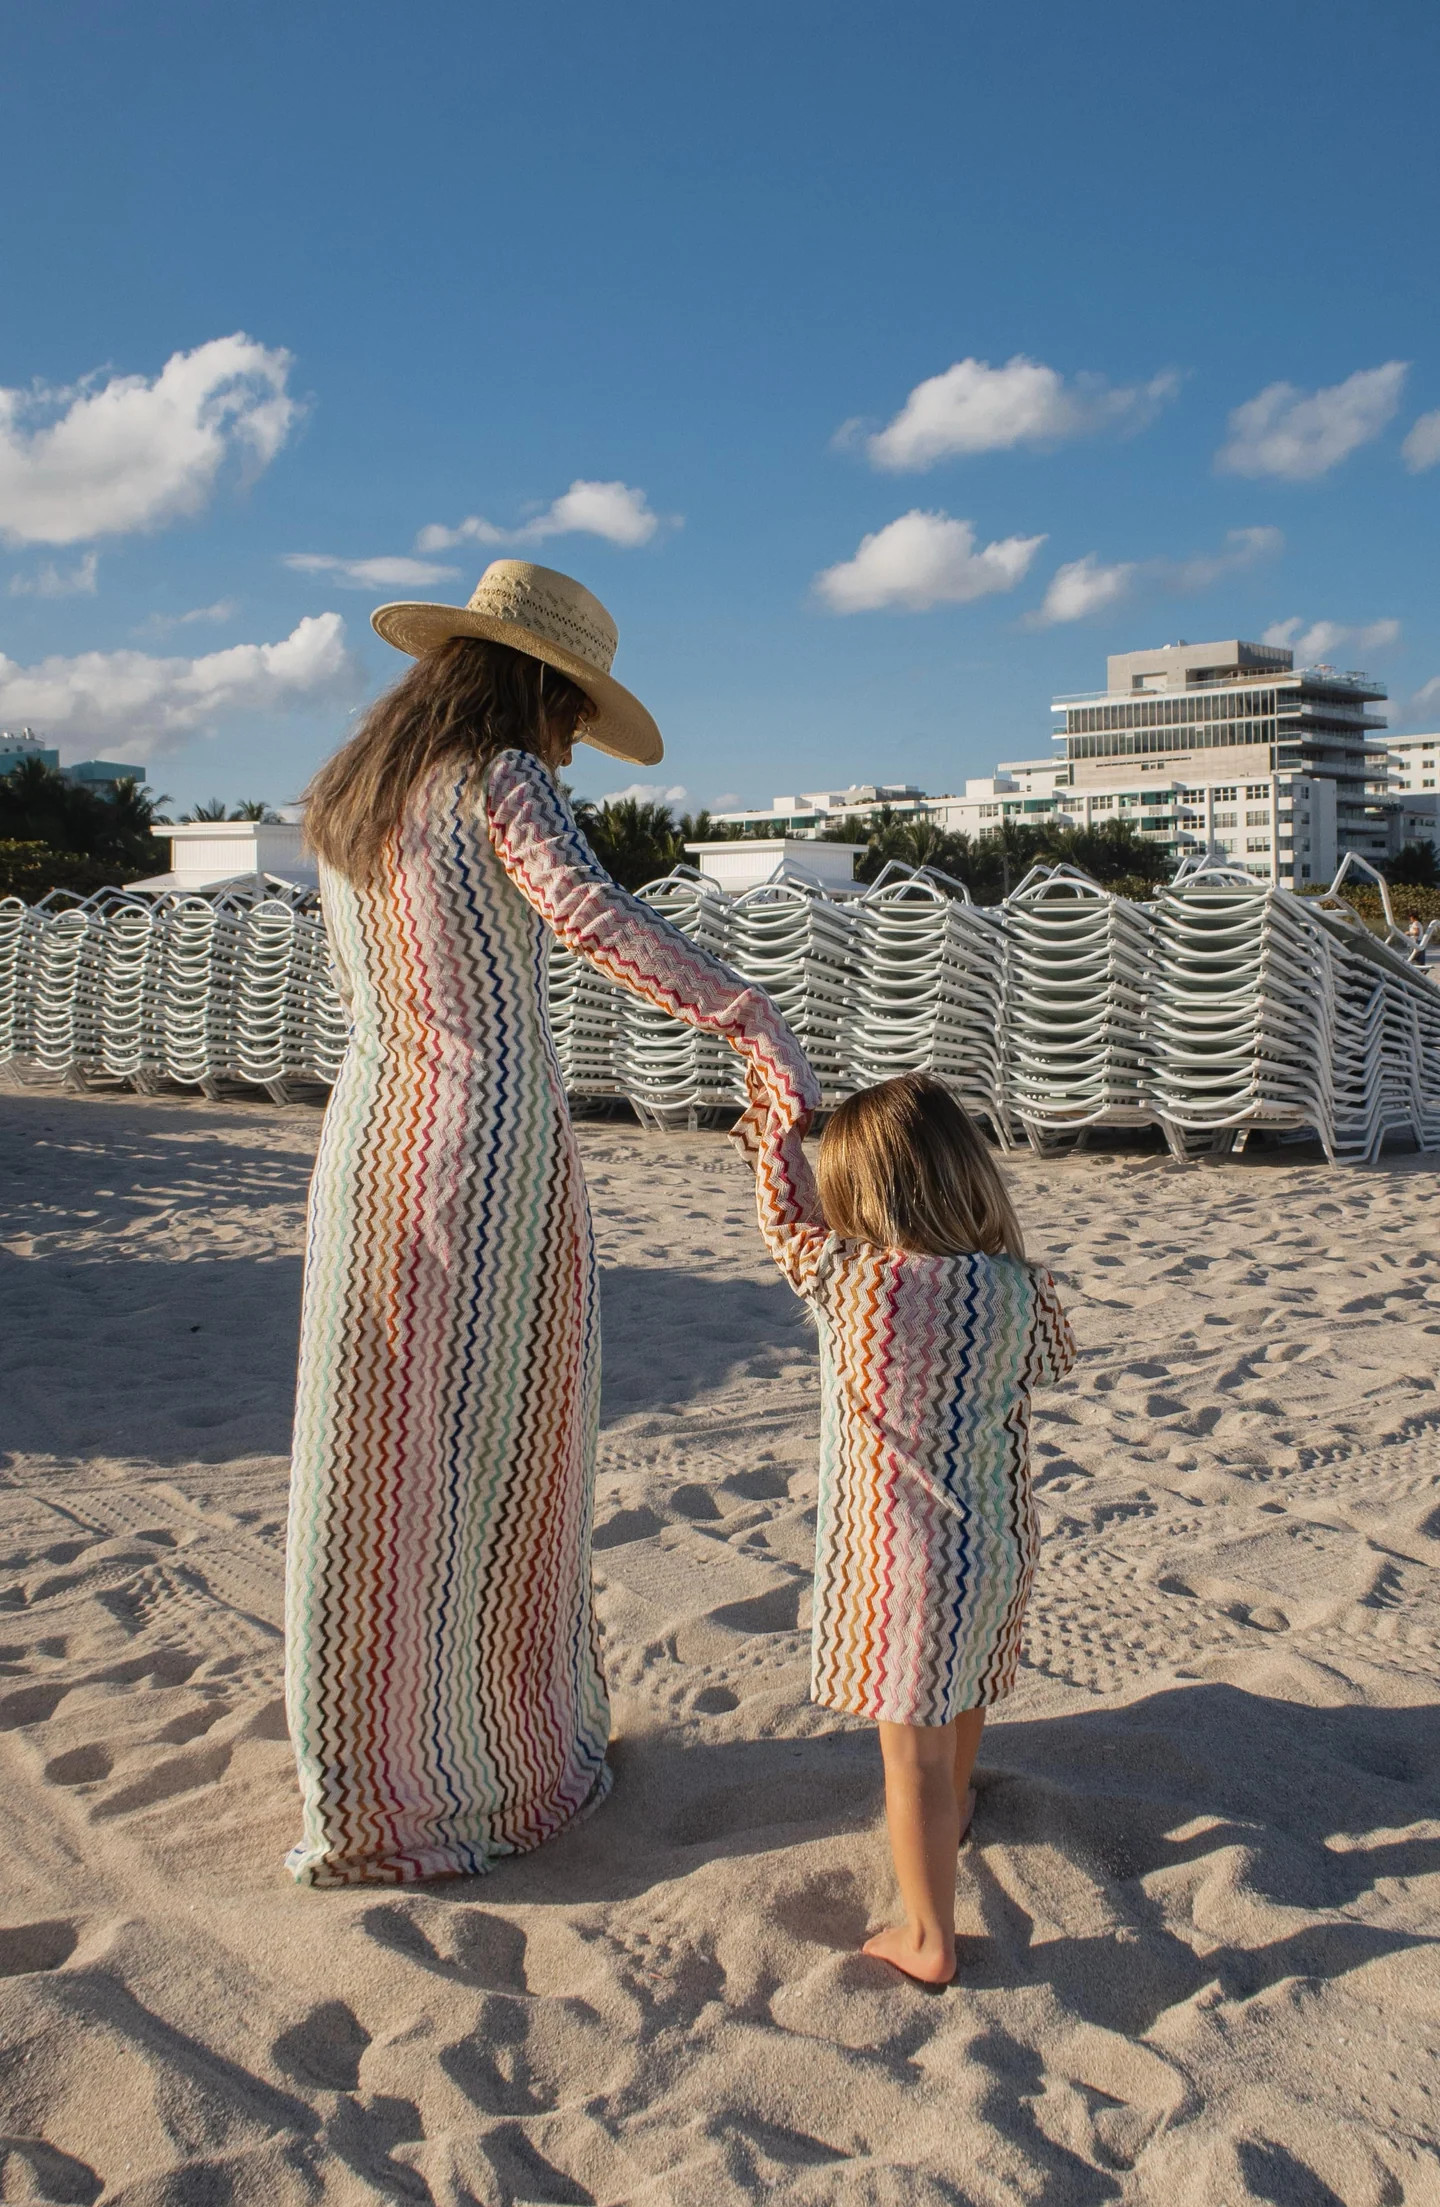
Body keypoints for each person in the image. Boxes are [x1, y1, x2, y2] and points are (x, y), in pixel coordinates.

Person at [285, 560, 818, 1886]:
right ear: (537, 684)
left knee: (377, 1460)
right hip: (485, 1153)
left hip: (368, 1144)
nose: (572, 740)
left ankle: (367, 1770)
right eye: (572, 708)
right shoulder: (499, 779)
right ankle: (491, 1767)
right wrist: (746, 1015)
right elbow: (595, 916)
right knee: (500, 1455)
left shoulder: (357, 794)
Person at [734, 1070, 1075, 1983]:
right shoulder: (1018, 1289)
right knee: (966, 1690)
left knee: (908, 1751)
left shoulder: (851, 1280)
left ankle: (929, 1937)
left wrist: (774, 1138)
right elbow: (1057, 1359)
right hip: (996, 1546)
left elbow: (784, 1222)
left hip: (904, 1561)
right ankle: (956, 1807)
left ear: (856, 1195)